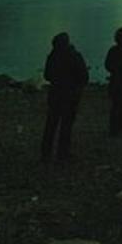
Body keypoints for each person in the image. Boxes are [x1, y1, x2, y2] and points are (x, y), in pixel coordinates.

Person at [40, 32, 89, 162]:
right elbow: (84, 77)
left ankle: (46, 153)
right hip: (70, 95)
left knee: (51, 124)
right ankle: (63, 153)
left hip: (55, 94)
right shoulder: (75, 56)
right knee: (66, 125)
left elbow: (47, 76)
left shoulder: (52, 56)